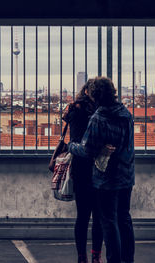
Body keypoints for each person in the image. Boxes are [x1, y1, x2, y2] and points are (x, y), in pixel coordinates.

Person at [67, 76, 135, 263]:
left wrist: (70, 146)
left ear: (95, 96)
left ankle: (113, 260)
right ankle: (128, 260)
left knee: (109, 223)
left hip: (106, 179)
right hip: (127, 176)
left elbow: (87, 150)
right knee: (124, 220)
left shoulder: (98, 119)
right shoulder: (126, 114)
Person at [62, 79, 106, 263]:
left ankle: (82, 257)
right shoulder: (102, 110)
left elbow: (74, 139)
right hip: (99, 166)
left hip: (80, 166)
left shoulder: (76, 109)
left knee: (82, 216)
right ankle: (96, 256)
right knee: (98, 216)